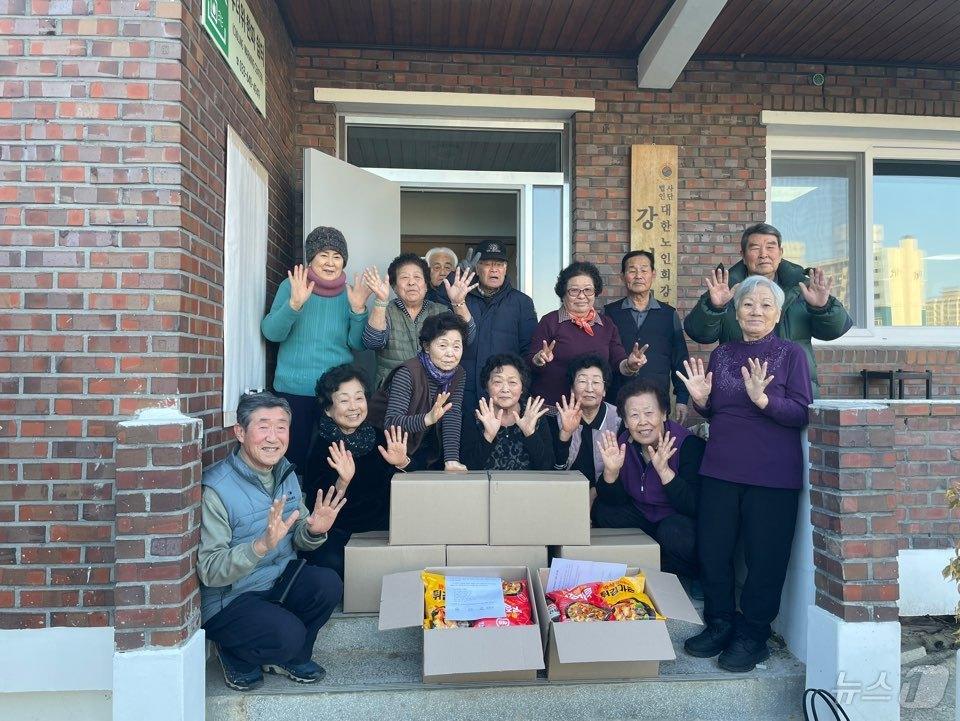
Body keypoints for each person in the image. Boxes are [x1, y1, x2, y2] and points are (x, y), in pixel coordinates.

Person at [676, 275, 813, 673]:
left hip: (772, 476)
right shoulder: (723, 354)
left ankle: (753, 634)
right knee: (714, 551)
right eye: (748, 305)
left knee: (764, 558)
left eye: (765, 305)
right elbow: (718, 412)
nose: (755, 311)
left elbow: (803, 411)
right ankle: (720, 622)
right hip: (720, 469)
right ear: (736, 312)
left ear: (778, 313)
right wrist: (702, 402)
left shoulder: (791, 355)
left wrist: (765, 400)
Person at [199, 392, 346, 692]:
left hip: (277, 579)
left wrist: (315, 530)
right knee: (288, 635)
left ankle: (292, 657)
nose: (273, 437)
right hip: (231, 598)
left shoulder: (285, 472)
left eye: (281, 427)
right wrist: (260, 546)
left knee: (328, 584)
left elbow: (301, 539)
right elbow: (210, 571)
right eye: (263, 426)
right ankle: (234, 651)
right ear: (240, 432)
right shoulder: (217, 488)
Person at [683, 222, 852, 397]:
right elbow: (700, 334)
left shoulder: (803, 287)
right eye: (755, 248)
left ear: (781, 252)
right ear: (743, 254)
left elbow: (835, 330)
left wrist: (822, 308)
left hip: (793, 389)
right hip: (739, 388)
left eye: (770, 247)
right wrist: (715, 307)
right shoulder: (726, 288)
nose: (763, 254)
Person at [261, 226, 372, 472]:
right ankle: (294, 507)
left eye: (337, 256)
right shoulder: (291, 286)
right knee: (292, 460)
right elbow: (271, 333)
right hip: (293, 389)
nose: (330, 262)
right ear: (311, 258)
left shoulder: (349, 294)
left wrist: (358, 311)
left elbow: (357, 343)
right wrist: (294, 304)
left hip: (335, 393)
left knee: (331, 462)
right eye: (323, 255)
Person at [301, 365, 412, 578]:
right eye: (344, 400)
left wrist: (402, 463)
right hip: (339, 531)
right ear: (328, 409)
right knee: (331, 566)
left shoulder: (381, 437)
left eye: (359, 398)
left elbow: (409, 491)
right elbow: (315, 506)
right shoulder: (322, 445)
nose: (354, 407)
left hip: (381, 528)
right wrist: (343, 481)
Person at [592, 378, 705, 580]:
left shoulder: (688, 445)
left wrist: (665, 473)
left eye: (649, 413)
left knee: (675, 533)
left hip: (675, 519)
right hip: (643, 516)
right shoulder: (624, 442)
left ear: (663, 413)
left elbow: (695, 506)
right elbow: (613, 500)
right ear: (626, 421)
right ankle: (641, 562)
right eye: (634, 415)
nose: (642, 422)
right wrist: (611, 472)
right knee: (603, 511)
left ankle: (689, 576)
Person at [435, 239, 537, 414]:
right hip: (463, 389)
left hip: (503, 394)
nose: (494, 269)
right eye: (487, 264)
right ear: (477, 268)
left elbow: (528, 351)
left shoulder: (522, 302)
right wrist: (454, 275)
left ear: (505, 268)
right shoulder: (462, 296)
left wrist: (520, 391)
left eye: (499, 264)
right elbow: (437, 301)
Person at [528, 261, 648, 405]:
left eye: (588, 290)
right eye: (574, 290)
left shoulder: (606, 324)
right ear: (563, 293)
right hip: (553, 410)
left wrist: (631, 365)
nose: (581, 296)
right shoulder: (550, 321)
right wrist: (539, 359)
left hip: (592, 411)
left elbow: (618, 363)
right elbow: (530, 363)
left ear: (595, 292)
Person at [367, 313, 469, 471]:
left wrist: (451, 460)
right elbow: (391, 422)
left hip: (418, 444)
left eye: (456, 346)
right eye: (443, 345)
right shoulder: (407, 373)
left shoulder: (459, 373)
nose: (451, 353)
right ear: (427, 347)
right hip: (383, 445)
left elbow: (452, 414)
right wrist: (428, 419)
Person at [361, 253, 477, 387]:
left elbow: (468, 338)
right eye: (404, 277)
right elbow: (372, 343)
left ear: (426, 285)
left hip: (432, 392)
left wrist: (458, 303)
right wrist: (381, 302)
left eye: (417, 277)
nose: (411, 282)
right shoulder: (385, 311)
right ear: (394, 287)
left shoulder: (440, 311)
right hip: (391, 392)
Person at [604, 250, 691, 423]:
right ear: (623, 276)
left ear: (653, 274)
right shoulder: (609, 314)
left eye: (644, 270)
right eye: (632, 270)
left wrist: (682, 399)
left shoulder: (668, 315)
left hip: (656, 401)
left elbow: (680, 359)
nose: (638, 276)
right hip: (617, 402)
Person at [460, 353, 555, 471]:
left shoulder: (534, 415)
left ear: (522, 388)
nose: (505, 389)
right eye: (497, 382)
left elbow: (548, 468)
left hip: (528, 488)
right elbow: (466, 469)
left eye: (512, 382)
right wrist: (488, 437)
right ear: (486, 386)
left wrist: (530, 434)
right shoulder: (477, 417)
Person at [553, 355, 622, 486]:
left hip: (607, 493)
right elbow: (556, 470)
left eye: (596, 382)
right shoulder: (559, 417)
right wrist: (565, 435)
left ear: (605, 390)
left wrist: (595, 492)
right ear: (572, 389)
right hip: (567, 490)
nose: (589, 389)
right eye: (582, 381)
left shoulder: (619, 419)